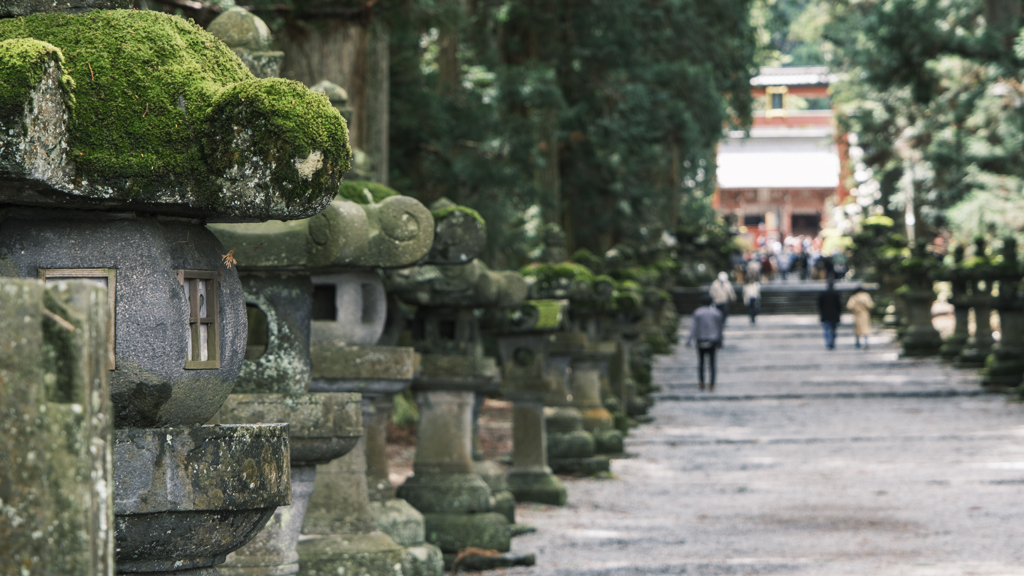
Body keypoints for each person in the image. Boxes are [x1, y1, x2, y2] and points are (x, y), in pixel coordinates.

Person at [686, 295, 723, 391]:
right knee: (712, 363)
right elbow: (720, 328)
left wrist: (689, 340)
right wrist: (720, 340)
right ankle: (712, 384)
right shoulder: (716, 313)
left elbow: (693, 327)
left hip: (701, 340)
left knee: (701, 362)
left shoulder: (697, 312)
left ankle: (702, 383)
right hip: (712, 340)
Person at [818, 279, 842, 350]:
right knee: (833, 330)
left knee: (827, 330)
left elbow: (820, 305)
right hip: (834, 315)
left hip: (825, 315)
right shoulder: (836, 294)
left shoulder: (823, 294)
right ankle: (832, 343)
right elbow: (839, 306)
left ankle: (828, 343)